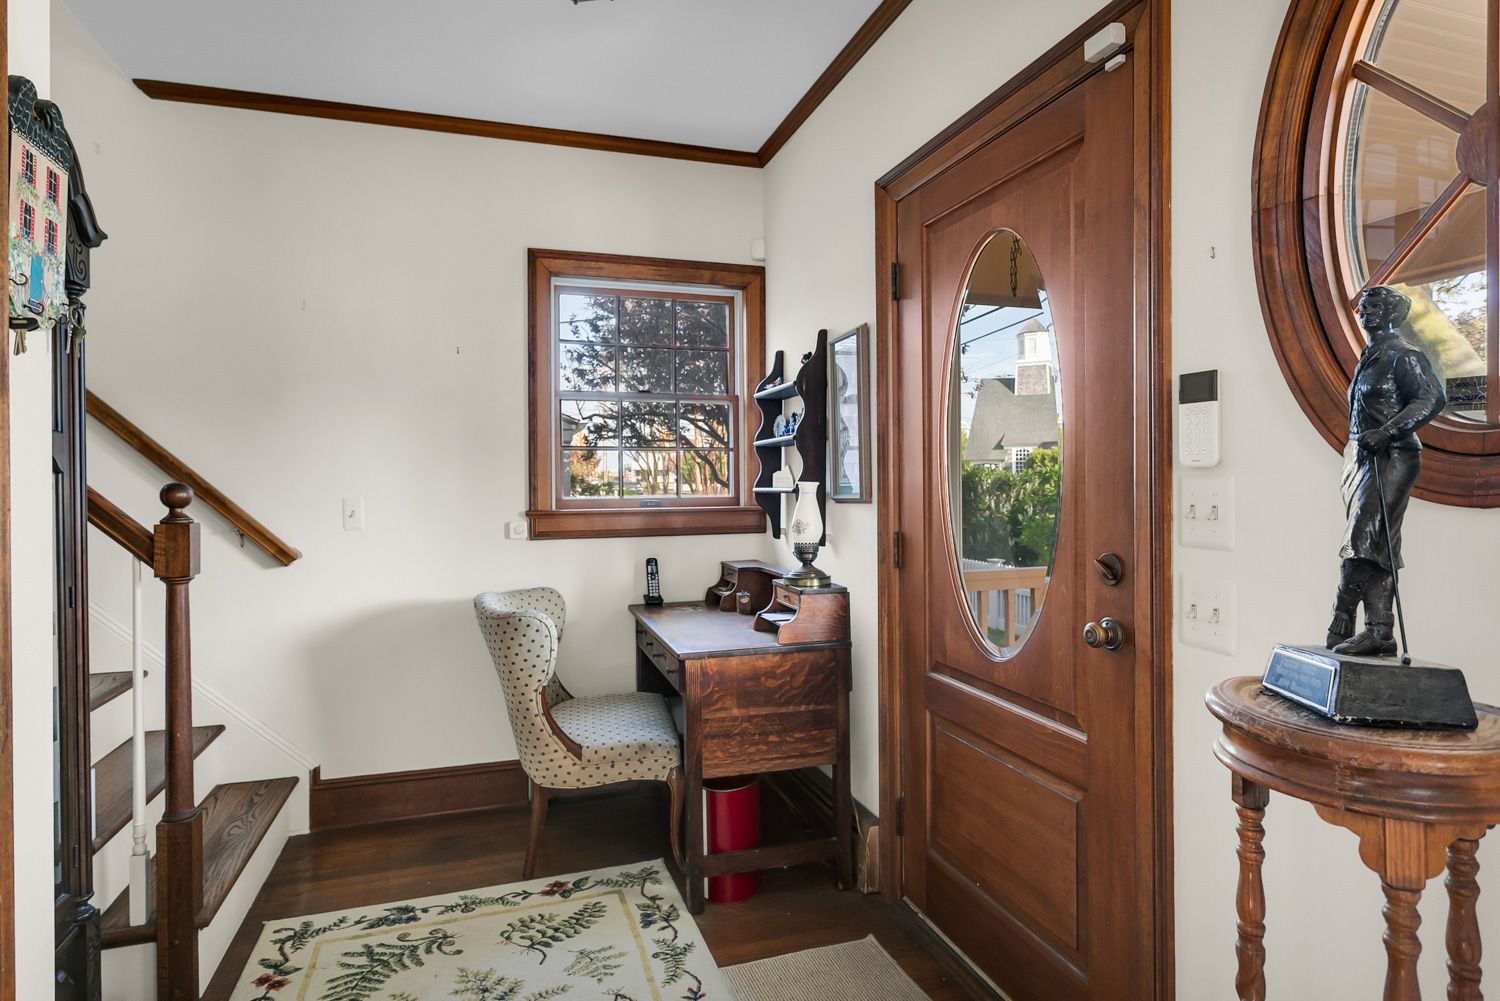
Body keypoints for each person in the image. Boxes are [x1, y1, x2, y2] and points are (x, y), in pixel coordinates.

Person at [1326, 285, 1445, 656]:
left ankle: (1343, 615)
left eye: (1376, 306)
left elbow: (1432, 397)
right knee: (1377, 545)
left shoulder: (1403, 354)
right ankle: (1379, 630)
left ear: (1394, 314)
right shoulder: (1370, 356)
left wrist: (1389, 431)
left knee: (1362, 539)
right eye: (1364, 307)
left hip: (1393, 456)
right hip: (1363, 459)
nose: (1367, 312)